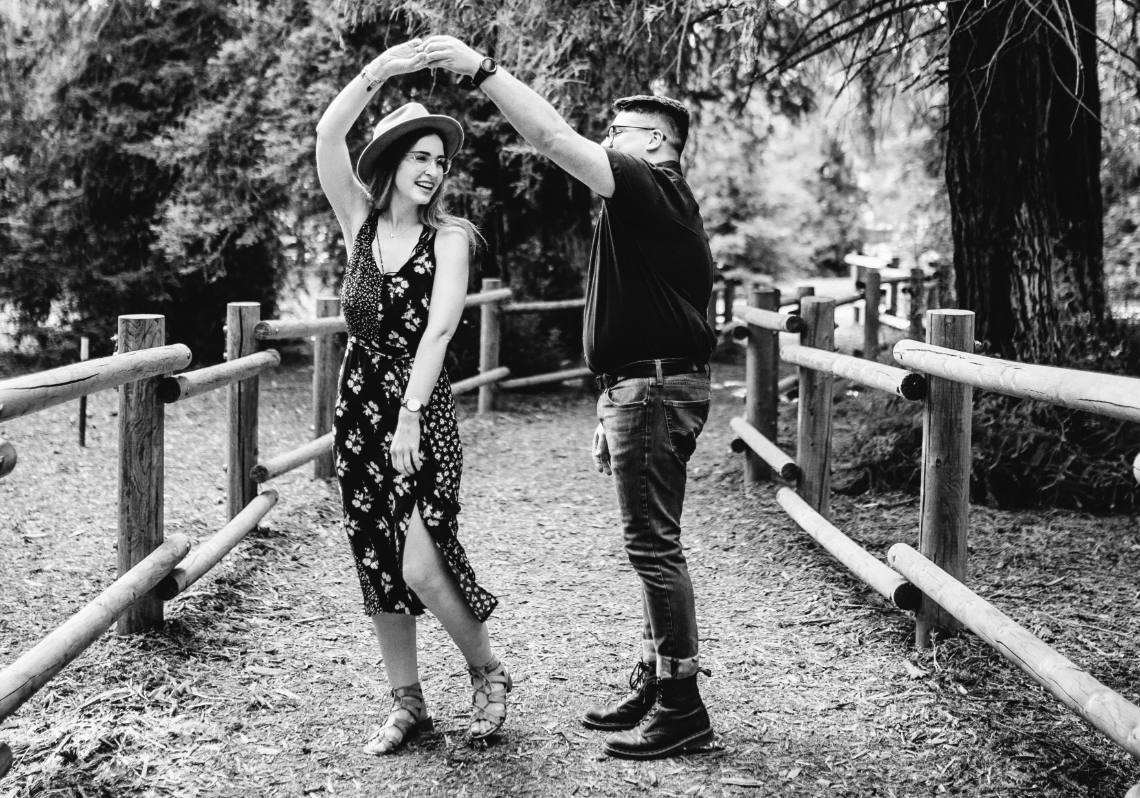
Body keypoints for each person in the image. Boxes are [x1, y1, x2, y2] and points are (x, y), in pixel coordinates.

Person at [417, 37, 717, 760]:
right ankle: (655, 678)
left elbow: (550, 136)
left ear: (654, 142)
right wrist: (607, 401)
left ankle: (683, 706)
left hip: (650, 389)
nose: (605, 146)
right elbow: (644, 313)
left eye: (616, 135)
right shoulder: (650, 209)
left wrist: (482, 70)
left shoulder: (651, 184)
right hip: (639, 386)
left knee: (653, 546)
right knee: (651, 542)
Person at [315, 40, 510, 755]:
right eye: (420, 156)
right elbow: (327, 134)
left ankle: (487, 674)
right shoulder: (358, 225)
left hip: (418, 411)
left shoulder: (450, 238)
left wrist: (408, 416)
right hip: (358, 408)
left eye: (440, 160)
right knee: (375, 556)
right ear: (393, 162)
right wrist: (384, 72)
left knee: (422, 562)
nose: (432, 171)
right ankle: (408, 704)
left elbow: (440, 330)